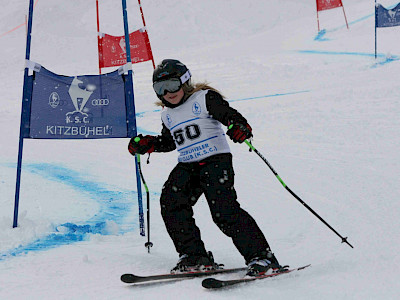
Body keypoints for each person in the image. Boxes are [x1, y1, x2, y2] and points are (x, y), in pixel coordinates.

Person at [128, 59, 286, 277]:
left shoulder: (204, 98)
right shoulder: (167, 114)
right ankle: (194, 256)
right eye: (160, 89)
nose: (167, 92)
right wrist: (148, 144)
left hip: (215, 161)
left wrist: (239, 126)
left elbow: (229, 115)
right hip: (188, 165)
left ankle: (262, 258)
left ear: (184, 81)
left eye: (172, 85)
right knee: (172, 202)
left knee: (224, 212)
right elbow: (170, 141)